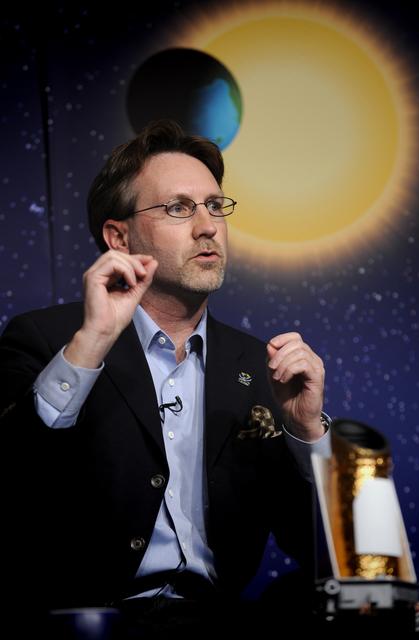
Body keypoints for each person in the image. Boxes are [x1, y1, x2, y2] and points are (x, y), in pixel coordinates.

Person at [0, 120, 330, 637]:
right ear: (119, 237)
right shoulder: (47, 340)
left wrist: (307, 435)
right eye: (178, 208)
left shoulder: (260, 366)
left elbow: (332, 559)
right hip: (83, 627)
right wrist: (90, 345)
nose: (207, 226)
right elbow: (9, 485)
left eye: (215, 206)